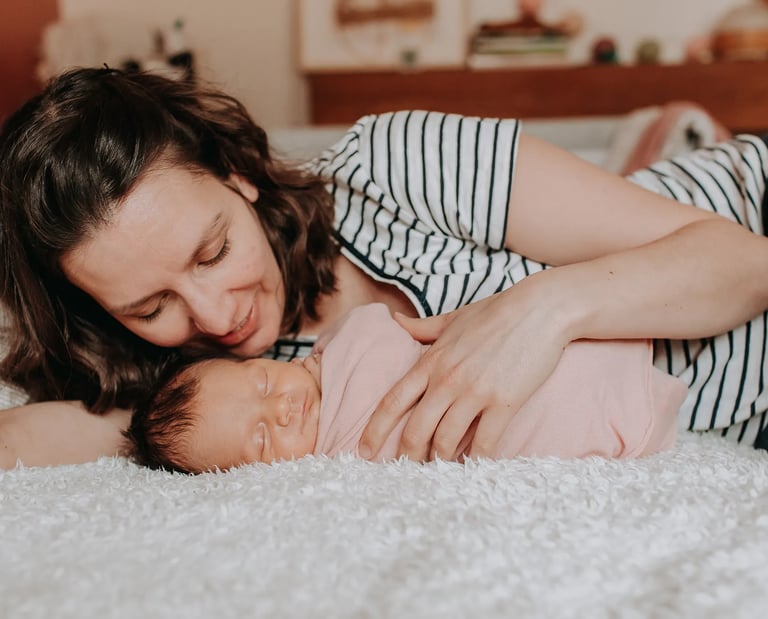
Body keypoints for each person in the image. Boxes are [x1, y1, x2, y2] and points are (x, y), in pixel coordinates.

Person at [1, 67, 767, 469]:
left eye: (213, 251)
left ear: (237, 176)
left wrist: (541, 311)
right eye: (149, 306)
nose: (215, 315)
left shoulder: (392, 167)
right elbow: (40, 436)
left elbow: (744, 262)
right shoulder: (233, 395)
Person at [125, 304, 685, 474]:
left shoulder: (341, 338)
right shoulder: (337, 464)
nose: (283, 408)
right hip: (552, 429)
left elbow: (408, 330)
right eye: (263, 439)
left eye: (264, 383)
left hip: (555, 349)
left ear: (266, 359)